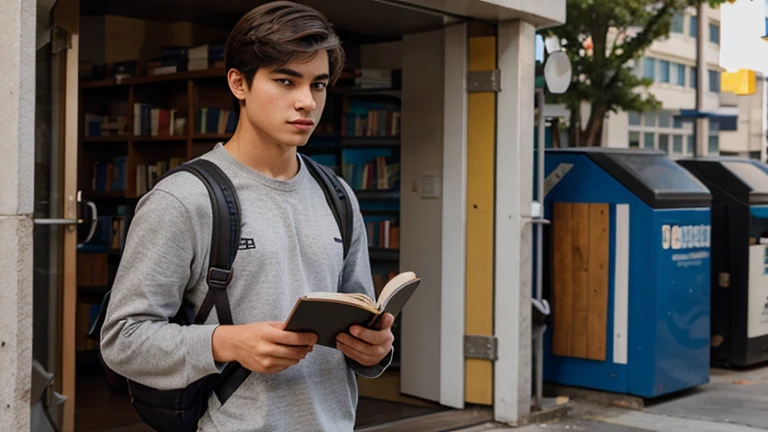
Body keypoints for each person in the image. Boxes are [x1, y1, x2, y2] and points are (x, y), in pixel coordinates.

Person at [100, 2, 395, 430]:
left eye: (318, 85)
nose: (306, 102)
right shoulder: (183, 200)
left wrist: (376, 350)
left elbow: (358, 319)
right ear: (239, 83)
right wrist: (225, 342)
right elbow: (122, 340)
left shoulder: (338, 195)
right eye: (285, 80)